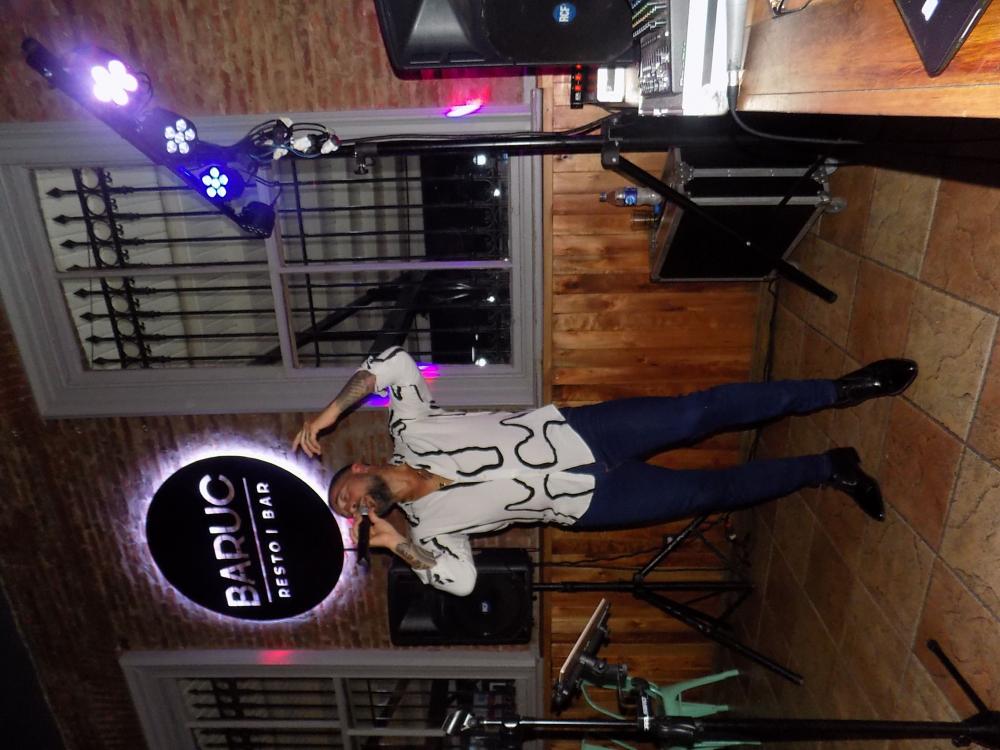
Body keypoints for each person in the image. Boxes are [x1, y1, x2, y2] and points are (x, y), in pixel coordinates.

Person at [292, 346, 917, 596]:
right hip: (589, 503)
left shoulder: (410, 427)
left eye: (344, 494)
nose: (352, 507)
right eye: (348, 512)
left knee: (700, 411)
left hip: (584, 431)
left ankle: (839, 391)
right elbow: (458, 583)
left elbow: (395, 362)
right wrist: (397, 544)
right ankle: (829, 468)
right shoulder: (430, 531)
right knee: (713, 490)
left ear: (362, 466)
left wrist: (329, 412)